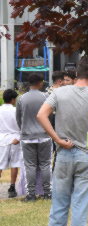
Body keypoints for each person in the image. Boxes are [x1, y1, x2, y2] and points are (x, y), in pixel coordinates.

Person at [37, 57, 88, 226]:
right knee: (80, 207)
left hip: (63, 153)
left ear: (76, 74)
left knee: (59, 205)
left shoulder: (59, 92)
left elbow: (41, 115)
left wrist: (56, 138)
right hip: (87, 155)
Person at [16, 73, 52, 201]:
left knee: (30, 166)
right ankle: (47, 192)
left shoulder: (21, 98)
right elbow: (50, 116)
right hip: (44, 135)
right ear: (40, 83)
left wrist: (24, 129)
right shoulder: (46, 97)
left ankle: (31, 194)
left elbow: (18, 118)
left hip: (27, 136)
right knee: (45, 164)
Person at [0, 90, 22, 198]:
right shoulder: (16, 111)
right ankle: (12, 187)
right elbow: (21, 126)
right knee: (15, 163)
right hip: (15, 138)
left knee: (0, 164)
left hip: (1, 139)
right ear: (13, 99)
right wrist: (19, 137)